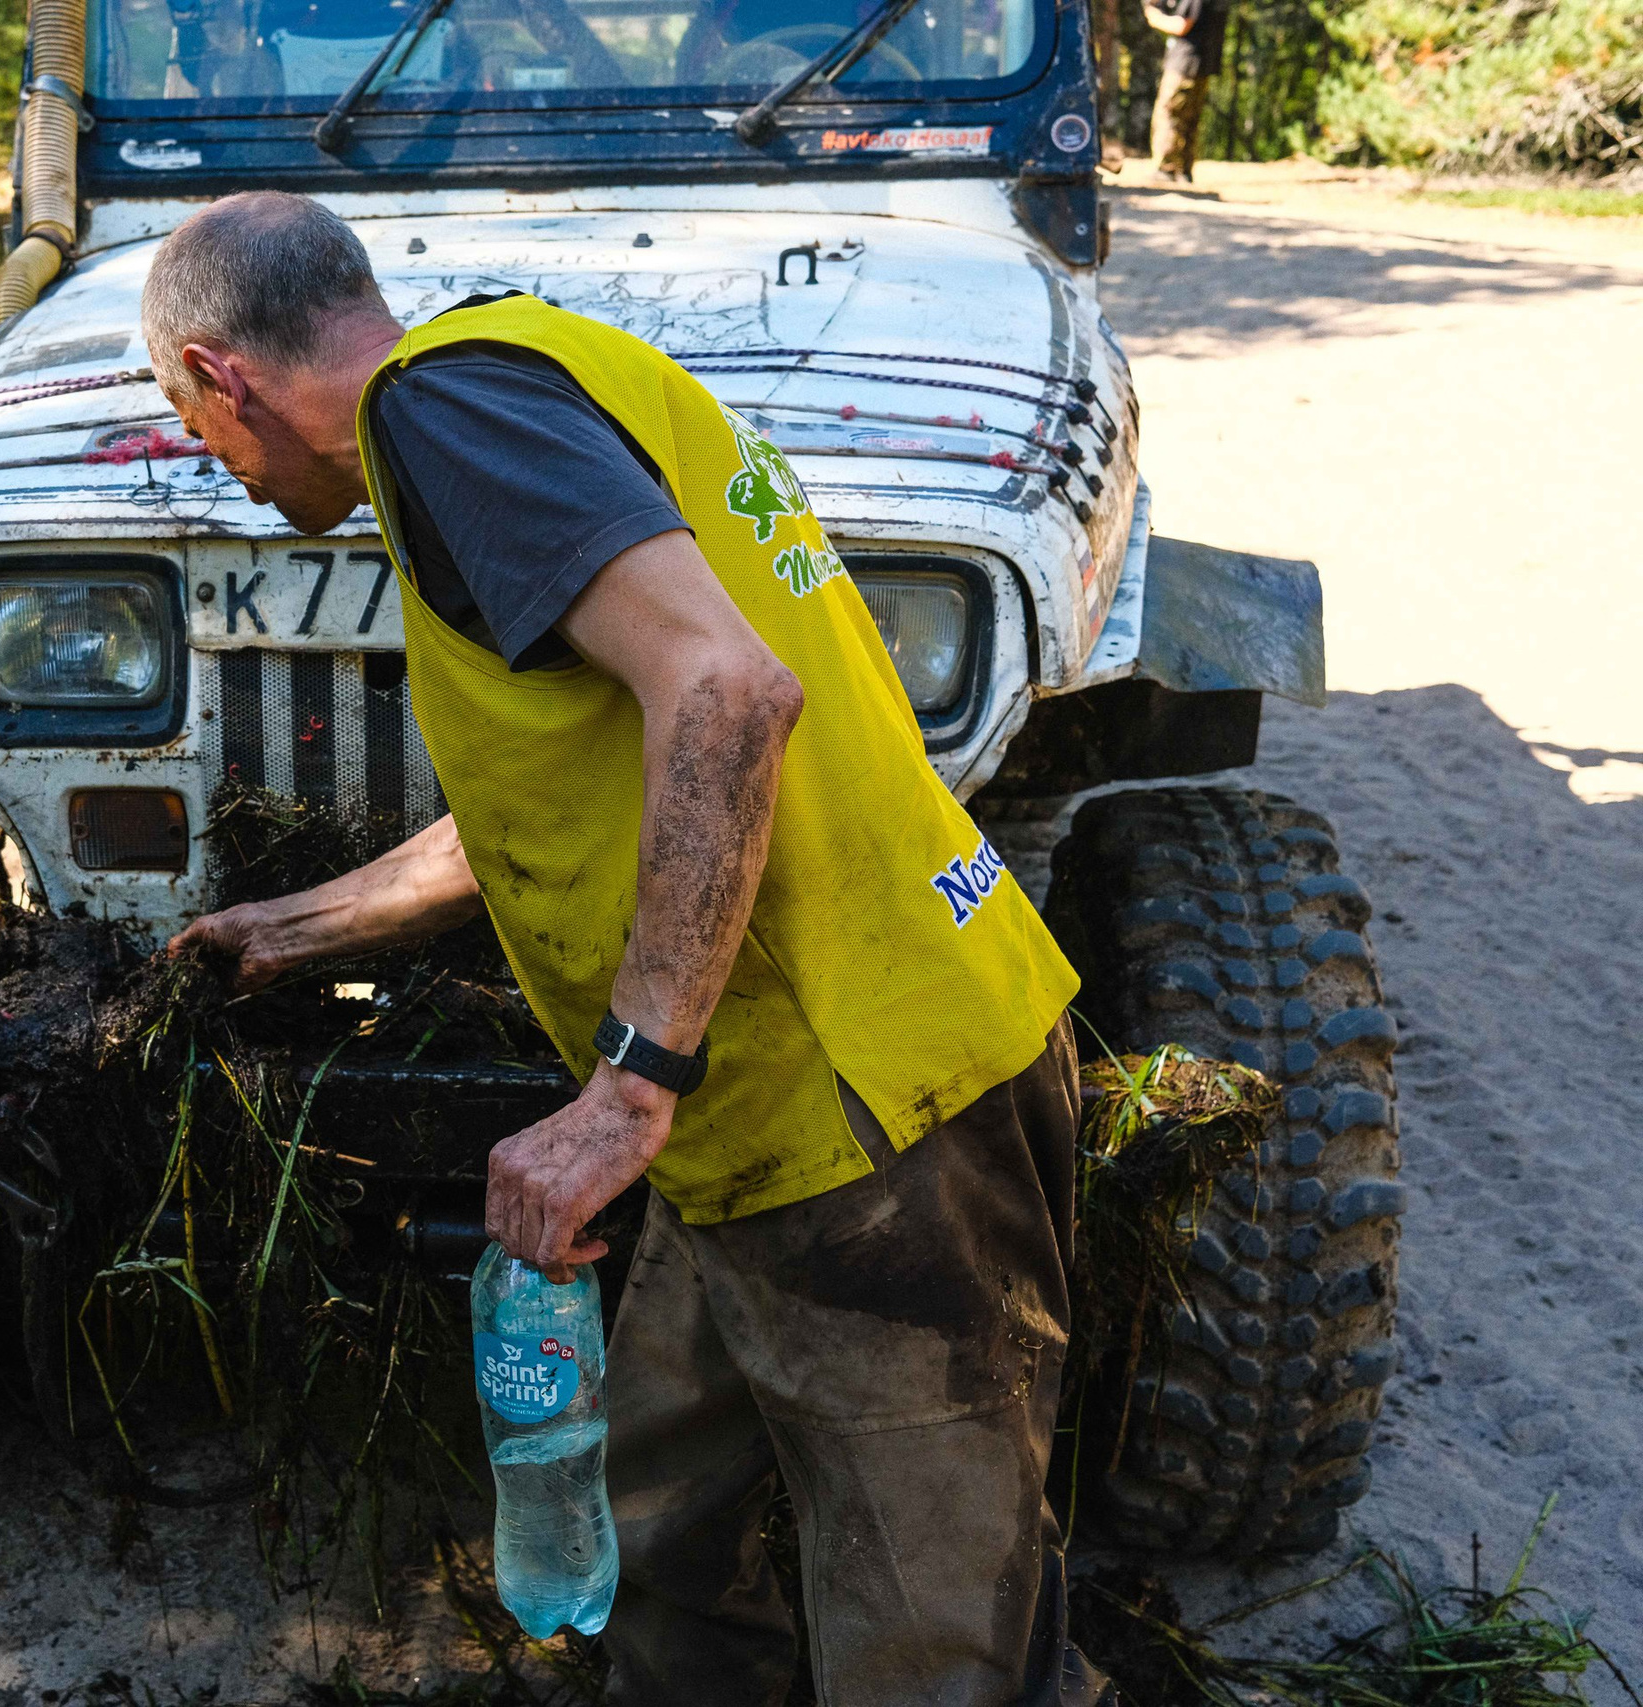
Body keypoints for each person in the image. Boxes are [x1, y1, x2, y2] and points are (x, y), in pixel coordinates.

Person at [144, 191, 1111, 1706]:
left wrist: (623, 1091)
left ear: (222, 374)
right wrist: (298, 923)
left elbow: (727, 692)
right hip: (769, 1108)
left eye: (191, 422)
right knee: (661, 1526)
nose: (215, 460)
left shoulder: (445, 417)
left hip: (870, 1103)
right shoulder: (509, 386)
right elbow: (584, 775)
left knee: (940, 1650)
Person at [1144, 0, 1225, 182]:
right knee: (1190, 118)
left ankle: (1166, 167)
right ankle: (1184, 170)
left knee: (1169, 114)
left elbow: (1182, 25)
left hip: (1184, 63)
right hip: (1203, 64)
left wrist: (1154, 17)